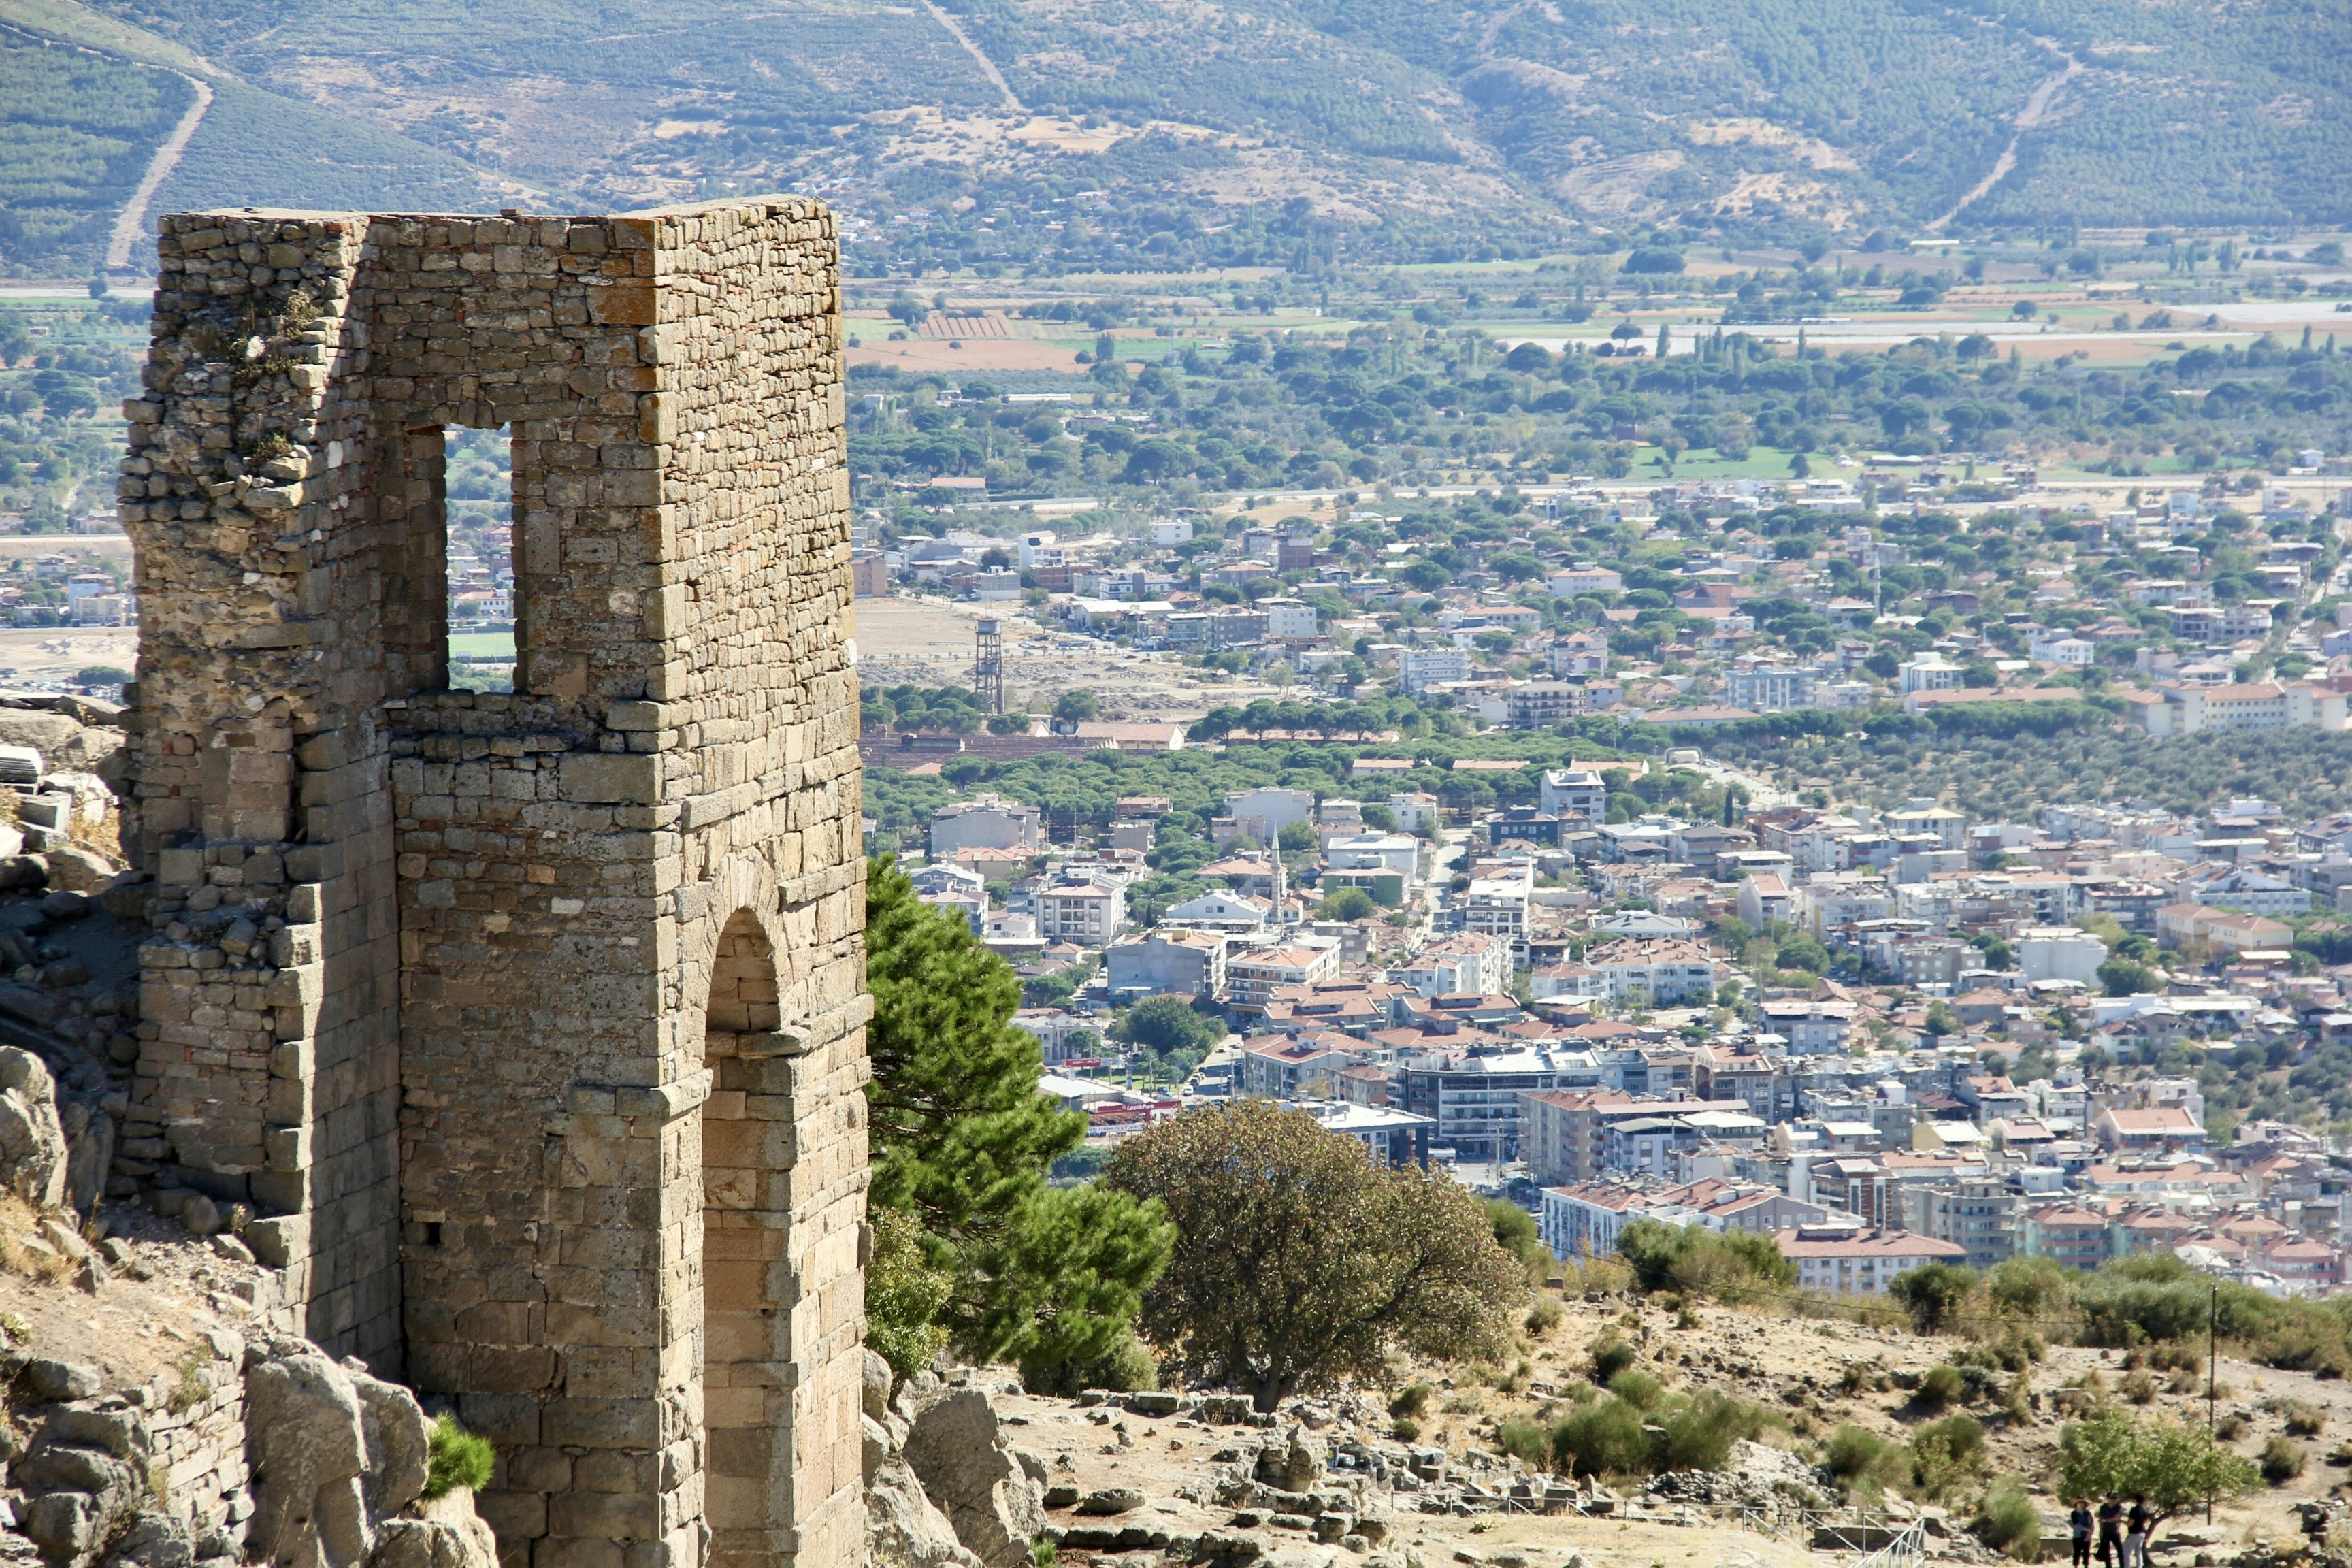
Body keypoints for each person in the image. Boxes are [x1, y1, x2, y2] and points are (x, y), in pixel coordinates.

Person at [2123, 1494, 2152, 1568]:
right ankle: (2139, 1566)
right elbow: (2146, 1520)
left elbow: (2130, 1523)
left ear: (2135, 1500)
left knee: (2126, 1552)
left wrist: (2120, 1520)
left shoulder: (2134, 1510)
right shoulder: (2144, 1510)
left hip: (2133, 1533)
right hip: (2141, 1533)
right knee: (2138, 1552)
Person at [2096, 1494, 2124, 1568]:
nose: (2113, 1500)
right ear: (2108, 1499)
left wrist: (2106, 1520)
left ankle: (2122, 1566)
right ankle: (2108, 1566)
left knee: (2120, 1550)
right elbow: (2100, 1520)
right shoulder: (2103, 1508)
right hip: (2106, 1532)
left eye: (2114, 1498)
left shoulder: (2118, 1508)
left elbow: (2117, 1518)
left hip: (2115, 1532)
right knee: (2106, 1551)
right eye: (2111, 1498)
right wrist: (2101, 1530)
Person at [2070, 1499, 2094, 1568]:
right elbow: (2075, 1524)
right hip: (2078, 1535)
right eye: (2079, 1503)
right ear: (2076, 1505)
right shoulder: (2074, 1513)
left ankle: (2086, 1566)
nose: (2081, 1504)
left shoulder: (2088, 1513)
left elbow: (2091, 1523)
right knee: (2077, 1552)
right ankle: (2076, 1566)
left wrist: (2090, 1533)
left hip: (2087, 1536)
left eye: (2082, 1503)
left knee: (2086, 1552)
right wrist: (2086, 1530)